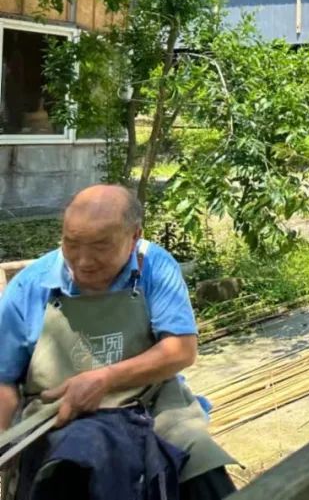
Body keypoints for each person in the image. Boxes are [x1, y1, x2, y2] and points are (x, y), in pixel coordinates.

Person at [0, 185, 236, 500]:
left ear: (134, 235)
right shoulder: (31, 285)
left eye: (100, 245)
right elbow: (4, 378)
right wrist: (5, 436)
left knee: (198, 459)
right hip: (61, 415)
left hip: (149, 401)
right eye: (71, 244)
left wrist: (105, 378)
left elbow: (181, 348)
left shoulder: (154, 266)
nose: (83, 261)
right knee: (77, 460)